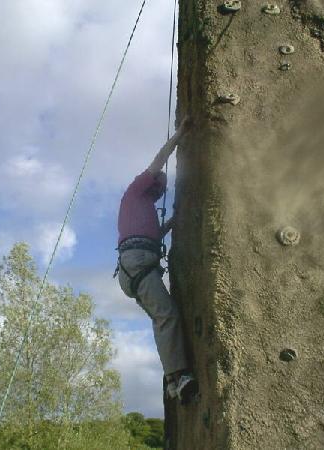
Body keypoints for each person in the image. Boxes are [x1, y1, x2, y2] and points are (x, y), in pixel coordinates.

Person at [116, 117, 197, 403]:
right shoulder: (136, 189)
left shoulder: (142, 207)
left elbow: (152, 235)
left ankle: (172, 381)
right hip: (137, 264)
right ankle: (180, 377)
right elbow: (159, 159)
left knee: (161, 318)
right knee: (167, 316)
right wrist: (180, 134)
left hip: (135, 265)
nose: (162, 189)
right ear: (152, 183)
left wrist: (174, 221)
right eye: (160, 185)